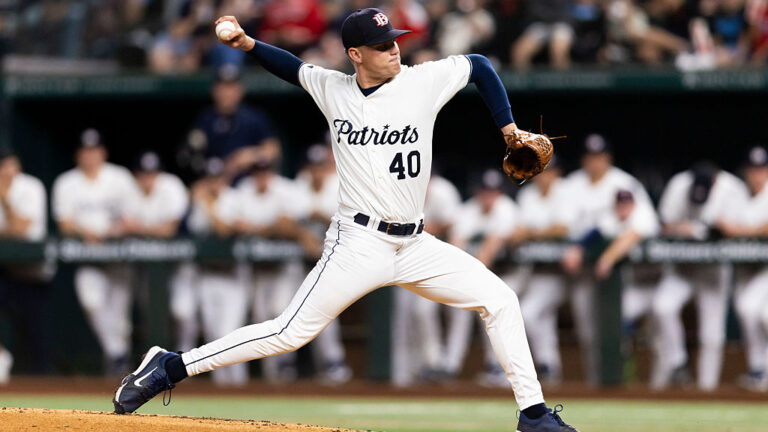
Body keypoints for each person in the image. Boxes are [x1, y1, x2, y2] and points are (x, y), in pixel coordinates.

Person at [113, 9, 578, 431]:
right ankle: (170, 366)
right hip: (358, 242)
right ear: (355, 54)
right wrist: (248, 44)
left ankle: (533, 416)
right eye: (380, 45)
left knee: (500, 299)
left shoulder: (422, 81)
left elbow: (479, 64)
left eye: (394, 40)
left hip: (416, 245)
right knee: (288, 333)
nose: (393, 48)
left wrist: (509, 129)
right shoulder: (333, 89)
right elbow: (292, 68)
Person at [562, 134, 654, 384]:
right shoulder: (572, 184)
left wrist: (609, 255)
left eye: (599, 156)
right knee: (587, 330)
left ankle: (625, 382)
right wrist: (580, 248)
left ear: (608, 158)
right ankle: (596, 386)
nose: (594, 162)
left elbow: (644, 226)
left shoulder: (624, 183)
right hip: (583, 272)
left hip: (629, 274)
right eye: (590, 157)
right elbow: (592, 229)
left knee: (617, 327)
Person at [652, 161, 749, 391]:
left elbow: (740, 231)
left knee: (712, 334)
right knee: (662, 306)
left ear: (715, 185)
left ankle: (708, 391)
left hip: (714, 270)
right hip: (683, 267)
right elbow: (663, 224)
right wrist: (690, 229)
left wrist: (713, 230)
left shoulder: (732, 189)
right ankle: (678, 364)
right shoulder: (679, 185)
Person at [52, 129, 140, 376]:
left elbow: (133, 217)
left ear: (103, 152)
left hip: (118, 254)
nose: (89, 155)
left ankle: (117, 366)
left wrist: (115, 229)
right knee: (92, 302)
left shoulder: (119, 177)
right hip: (87, 256)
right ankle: (117, 355)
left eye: (94, 150)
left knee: (121, 317)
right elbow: (64, 222)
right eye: (85, 150)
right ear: (78, 154)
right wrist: (87, 231)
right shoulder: (67, 182)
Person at [234, 159, 322, 383]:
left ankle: (286, 370)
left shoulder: (285, 189)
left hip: (285, 268)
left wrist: (263, 228)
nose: (261, 176)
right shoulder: (244, 190)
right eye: (257, 171)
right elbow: (238, 226)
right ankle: (272, 377)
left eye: (265, 171)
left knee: (280, 312)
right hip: (257, 270)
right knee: (260, 318)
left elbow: (288, 223)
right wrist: (273, 228)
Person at [444, 169, 522, 387]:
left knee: (495, 308)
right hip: (477, 274)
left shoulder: (506, 208)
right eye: (485, 191)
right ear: (478, 192)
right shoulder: (467, 210)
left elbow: (490, 248)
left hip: (511, 273)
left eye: (494, 192)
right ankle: (450, 366)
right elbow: (454, 247)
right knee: (460, 307)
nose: (489, 196)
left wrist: (469, 278)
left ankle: (497, 366)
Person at [390, 172, 461, 386]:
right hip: (405, 261)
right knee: (402, 318)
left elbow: (452, 225)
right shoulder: (401, 189)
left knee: (423, 310)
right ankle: (404, 374)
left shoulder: (443, 191)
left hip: (438, 262)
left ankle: (436, 363)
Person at [187, 157, 250, 386]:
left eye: (218, 178)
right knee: (213, 335)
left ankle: (239, 386)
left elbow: (224, 230)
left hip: (234, 276)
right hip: (206, 274)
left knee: (229, 332)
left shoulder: (235, 198)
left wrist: (207, 205)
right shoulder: (199, 204)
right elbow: (195, 231)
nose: (214, 183)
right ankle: (222, 389)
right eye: (210, 178)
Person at [294, 144, 353, 385]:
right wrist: (301, 232)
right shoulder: (298, 186)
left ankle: (333, 363)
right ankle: (291, 368)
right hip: (297, 262)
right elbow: (285, 218)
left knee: (324, 309)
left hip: (333, 259)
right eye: (312, 167)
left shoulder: (337, 184)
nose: (316, 172)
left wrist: (313, 216)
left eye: (321, 166)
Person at [513, 157, 572, 386]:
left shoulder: (565, 191)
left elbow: (562, 228)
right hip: (534, 271)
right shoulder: (527, 195)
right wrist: (532, 233)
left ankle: (600, 386)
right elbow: (517, 231)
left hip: (565, 273)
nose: (542, 176)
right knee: (538, 316)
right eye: (538, 171)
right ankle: (549, 366)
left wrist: (532, 233)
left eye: (547, 171)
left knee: (530, 312)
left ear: (556, 173)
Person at [716, 146, 768, 390]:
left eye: (761, 169)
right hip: (746, 268)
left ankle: (761, 369)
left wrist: (738, 231)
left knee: (761, 314)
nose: (756, 174)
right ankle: (758, 370)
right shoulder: (737, 194)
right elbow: (721, 224)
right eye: (753, 169)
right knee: (747, 312)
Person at [0, 147, 49, 382]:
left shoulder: (30, 186)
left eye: (11, 165)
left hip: (33, 270)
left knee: (34, 328)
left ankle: (40, 384)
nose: (8, 171)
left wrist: (5, 199)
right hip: (4, 269)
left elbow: (20, 229)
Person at [190, 65, 281, 180]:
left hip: (248, 185)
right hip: (217, 184)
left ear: (241, 89)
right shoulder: (206, 119)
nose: (227, 92)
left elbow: (273, 150)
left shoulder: (254, 117)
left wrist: (250, 155)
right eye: (223, 86)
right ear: (214, 90)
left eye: (231, 87)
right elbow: (194, 158)